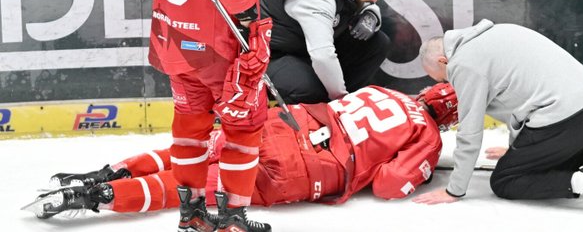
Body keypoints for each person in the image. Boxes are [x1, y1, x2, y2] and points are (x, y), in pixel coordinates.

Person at [28, 84, 457, 219]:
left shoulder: (384, 88)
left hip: (280, 124)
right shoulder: (430, 136)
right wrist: (426, 170)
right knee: (193, 186)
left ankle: (103, 173)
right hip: (302, 166)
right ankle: (97, 198)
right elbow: (388, 185)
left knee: (190, 156)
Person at [413, 19, 583, 216]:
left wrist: (454, 191)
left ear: (445, 61)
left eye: (444, 78)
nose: (448, 83)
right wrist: (519, 151)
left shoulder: (464, 64)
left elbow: (470, 134)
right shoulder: (497, 32)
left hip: (567, 119)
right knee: (536, 163)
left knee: (505, 180)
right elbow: (521, 98)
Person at [142, 0, 271, 231]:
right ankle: (233, 219)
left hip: (172, 34)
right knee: (245, 124)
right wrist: (248, 21)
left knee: (189, 124)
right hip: (216, 42)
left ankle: (192, 213)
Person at [261, 0, 395, 104]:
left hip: (304, 46)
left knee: (378, 43)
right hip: (274, 55)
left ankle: (344, 105)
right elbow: (322, 55)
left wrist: (370, 13)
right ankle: (332, 109)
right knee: (310, 89)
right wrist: (341, 99)